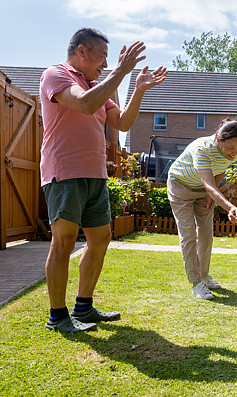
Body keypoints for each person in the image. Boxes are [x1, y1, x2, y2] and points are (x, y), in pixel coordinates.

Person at [40, 27, 168, 332]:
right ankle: (58, 316)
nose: (105, 63)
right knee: (64, 241)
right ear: (82, 50)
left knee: (100, 238)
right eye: (102, 56)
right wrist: (121, 72)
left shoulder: (96, 84)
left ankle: (83, 307)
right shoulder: (56, 75)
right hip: (65, 172)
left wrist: (136, 89)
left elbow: (122, 121)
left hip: (95, 173)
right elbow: (84, 103)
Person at [167, 119, 237, 300]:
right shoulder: (202, 149)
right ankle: (196, 283)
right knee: (188, 235)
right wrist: (229, 206)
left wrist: (211, 196)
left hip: (203, 191)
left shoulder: (231, 153)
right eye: (231, 148)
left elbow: (220, 170)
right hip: (180, 187)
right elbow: (209, 185)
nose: (235, 153)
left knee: (205, 233)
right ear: (219, 141)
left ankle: (204, 275)